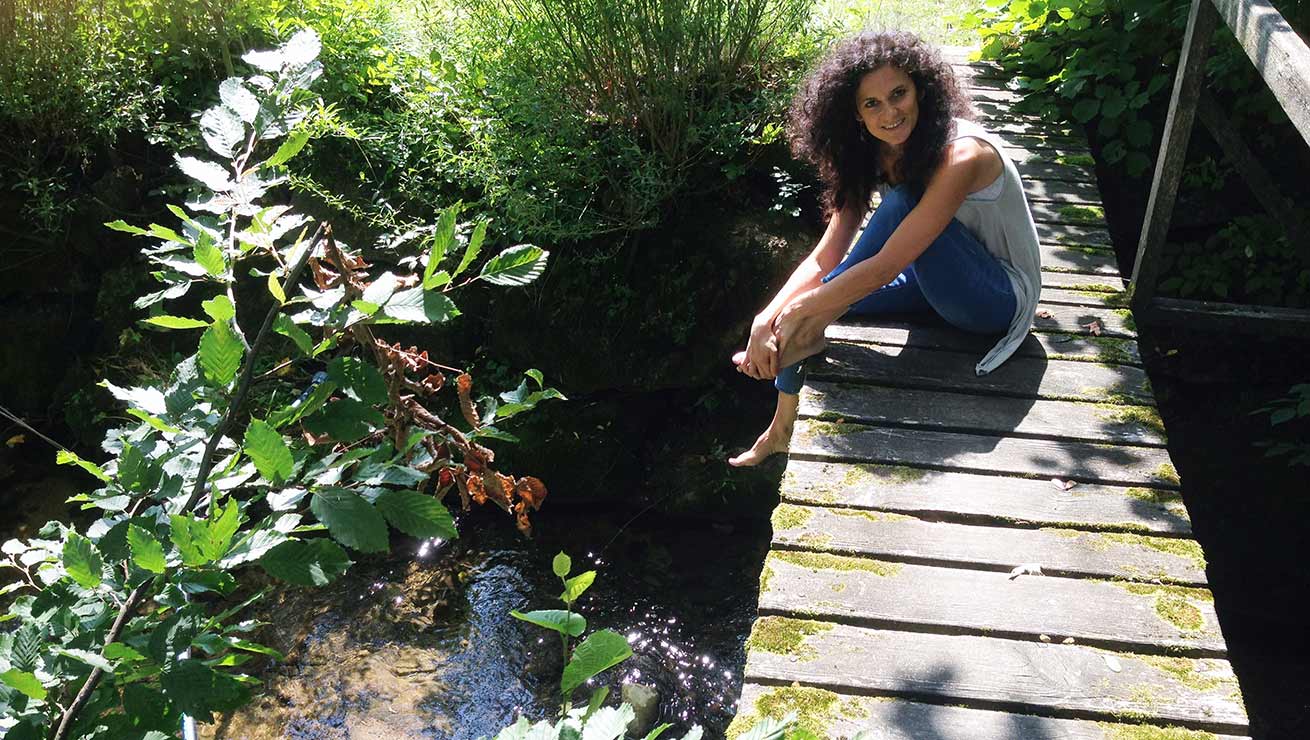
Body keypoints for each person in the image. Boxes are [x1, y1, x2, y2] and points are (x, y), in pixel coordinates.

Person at [728, 30, 1043, 467]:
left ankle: (791, 377)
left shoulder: (964, 155)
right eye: (872, 104)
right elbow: (826, 256)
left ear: (922, 90)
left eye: (899, 94)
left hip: (996, 301)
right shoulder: (871, 154)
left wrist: (798, 313)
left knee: (898, 206)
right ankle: (781, 426)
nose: (890, 113)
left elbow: (883, 267)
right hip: (931, 283)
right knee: (825, 302)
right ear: (855, 113)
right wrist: (769, 316)